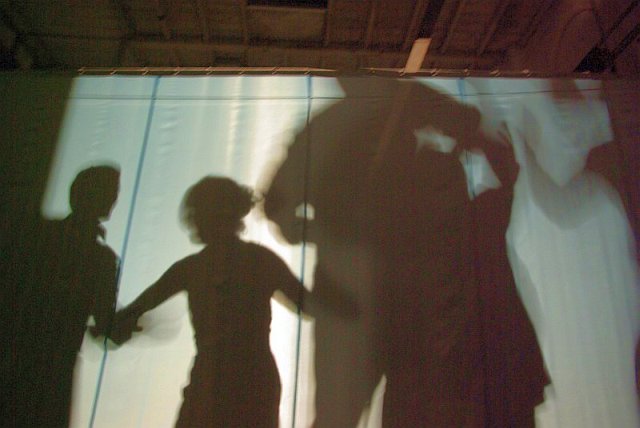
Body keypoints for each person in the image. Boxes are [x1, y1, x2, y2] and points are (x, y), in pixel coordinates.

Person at [112, 176, 311, 428]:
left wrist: (114, 325)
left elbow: (132, 312)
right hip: (241, 381)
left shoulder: (192, 268)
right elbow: (311, 305)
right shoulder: (258, 260)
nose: (193, 222)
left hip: (221, 384)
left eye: (198, 214)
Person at [2, 165, 120, 427]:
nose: (114, 198)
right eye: (111, 191)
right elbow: (106, 325)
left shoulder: (37, 233)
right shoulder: (102, 259)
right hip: (54, 373)